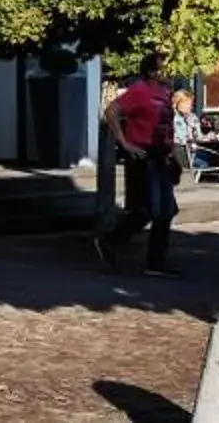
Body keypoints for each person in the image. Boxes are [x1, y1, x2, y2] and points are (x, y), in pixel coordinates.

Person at [96, 52, 181, 276]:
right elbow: (111, 111)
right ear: (152, 72)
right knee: (151, 210)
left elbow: (165, 128)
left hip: (162, 157)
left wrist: (173, 155)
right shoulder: (139, 91)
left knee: (166, 211)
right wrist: (124, 142)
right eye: (163, 69)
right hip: (145, 156)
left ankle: (154, 263)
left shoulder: (165, 94)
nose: (168, 74)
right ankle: (111, 242)